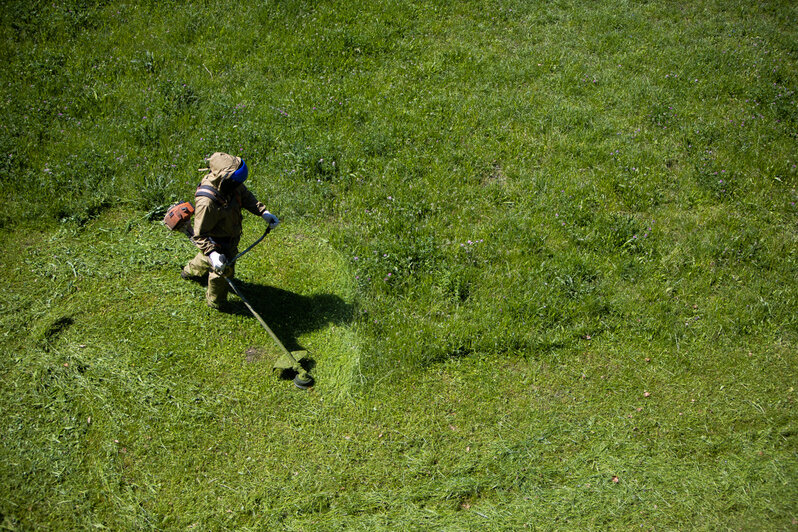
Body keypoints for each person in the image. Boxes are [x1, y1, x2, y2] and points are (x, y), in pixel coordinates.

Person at [181, 152, 279, 309]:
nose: (239, 184)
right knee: (222, 272)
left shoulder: (231, 183)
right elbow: (200, 235)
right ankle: (216, 301)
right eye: (236, 181)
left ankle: (189, 271)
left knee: (204, 258)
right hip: (217, 242)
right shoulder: (207, 203)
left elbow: (245, 196)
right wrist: (213, 253)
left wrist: (263, 212)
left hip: (230, 236)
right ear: (223, 177)